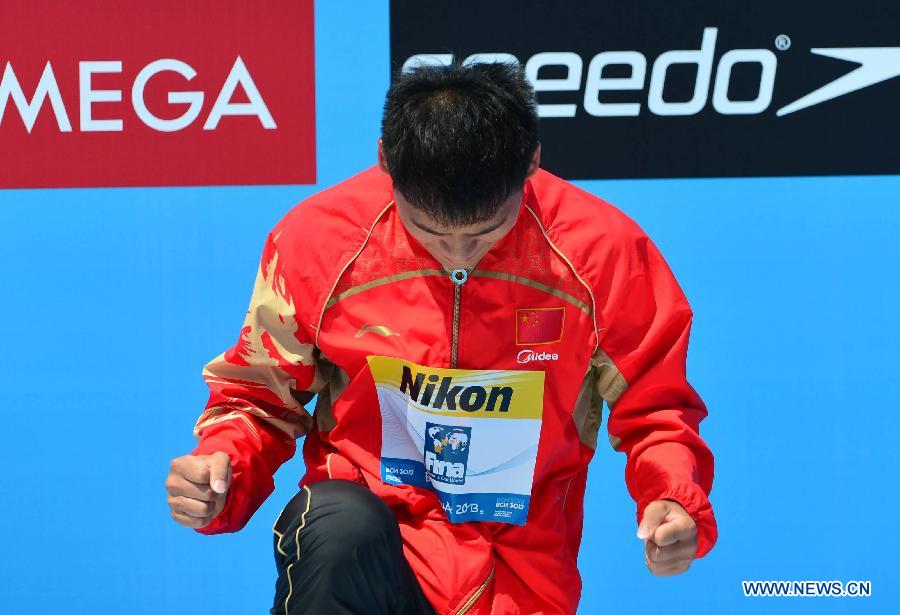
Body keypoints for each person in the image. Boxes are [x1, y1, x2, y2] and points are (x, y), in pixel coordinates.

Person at [164, 59, 718, 615]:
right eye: (427, 229)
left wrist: (672, 496)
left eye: (484, 231)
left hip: (519, 574)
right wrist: (220, 469)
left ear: (531, 163)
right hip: (373, 546)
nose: (458, 253)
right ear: (386, 160)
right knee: (336, 525)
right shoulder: (318, 242)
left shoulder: (603, 253)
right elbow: (258, 398)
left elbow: (656, 411)